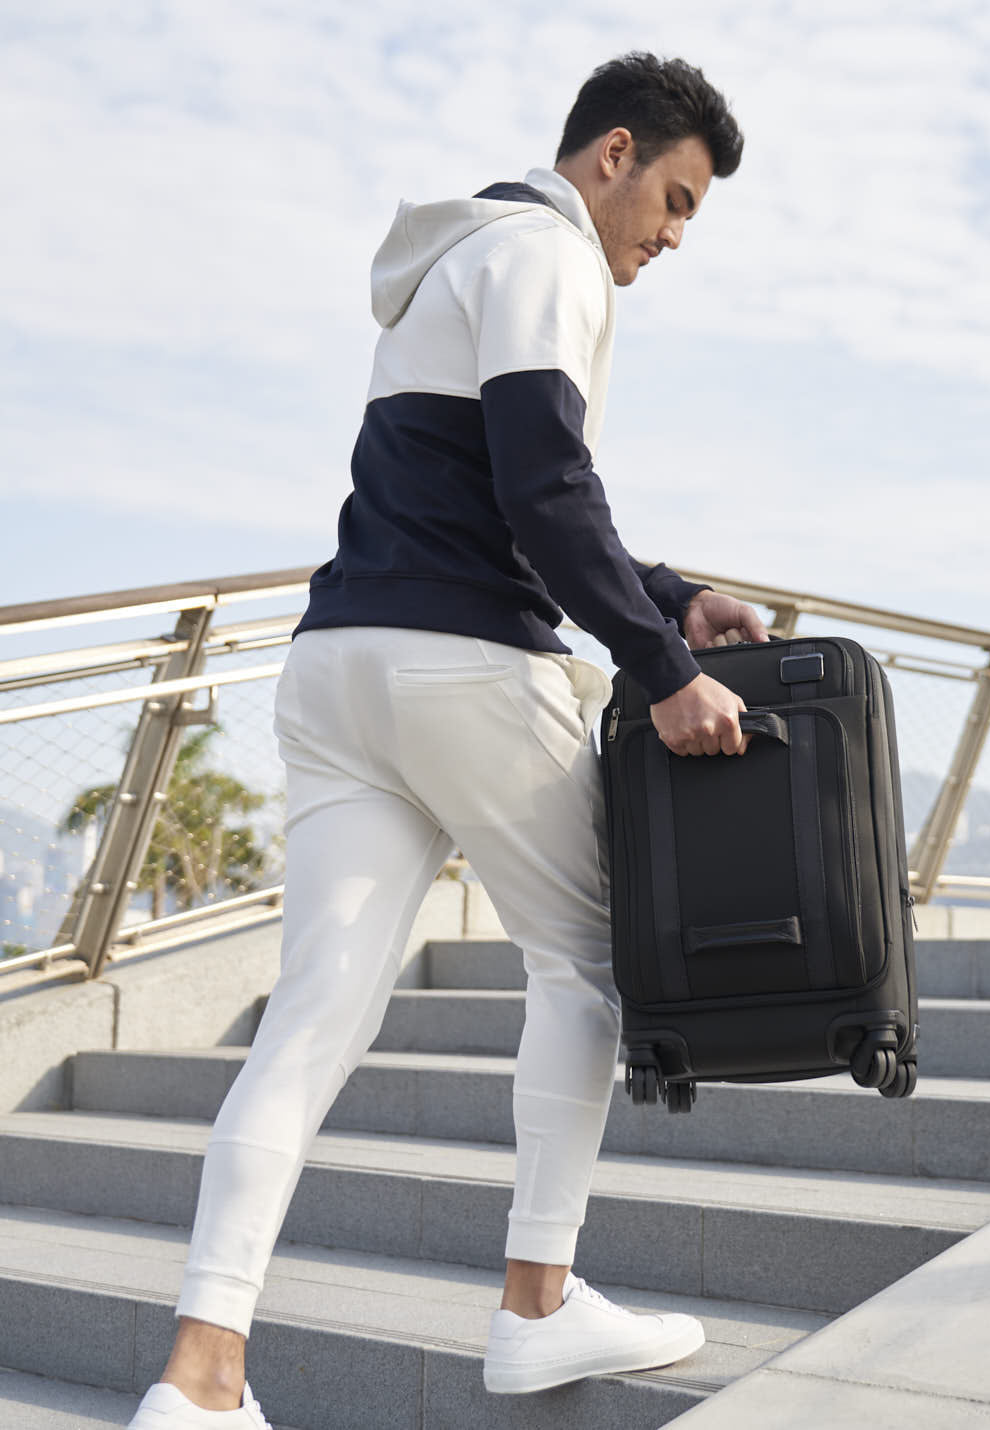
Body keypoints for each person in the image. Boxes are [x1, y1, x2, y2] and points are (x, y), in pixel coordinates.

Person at [129, 51, 767, 1428]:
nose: (672, 236)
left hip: (339, 665)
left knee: (310, 1021)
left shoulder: (454, 260)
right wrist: (662, 666)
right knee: (588, 964)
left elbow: (503, 489)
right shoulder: (549, 255)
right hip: (460, 666)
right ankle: (536, 1306)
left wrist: (667, 593)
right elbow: (544, 487)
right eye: (674, 199)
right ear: (611, 155)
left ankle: (201, 1375)